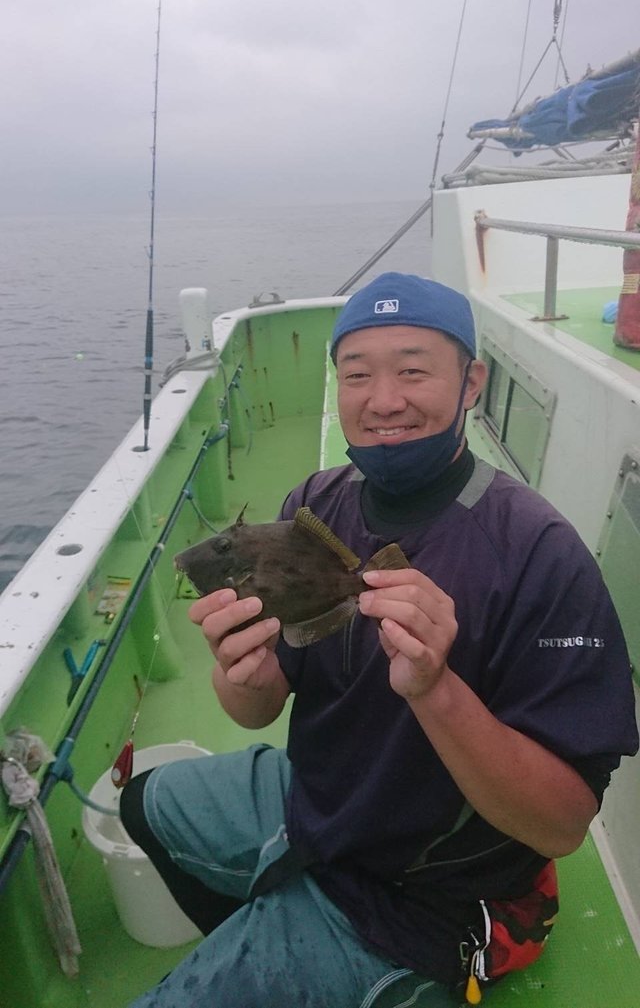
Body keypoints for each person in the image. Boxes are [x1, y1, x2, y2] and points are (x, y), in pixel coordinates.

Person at [121, 272, 638, 1008]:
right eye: (357, 374)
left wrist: (436, 688)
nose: (384, 399)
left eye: (413, 369)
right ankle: (275, 927)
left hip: (425, 889)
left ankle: (384, 974)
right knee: (144, 802)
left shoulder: (538, 551)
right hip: (323, 800)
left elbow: (560, 823)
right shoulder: (315, 503)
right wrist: (241, 671)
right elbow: (260, 707)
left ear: (471, 383)